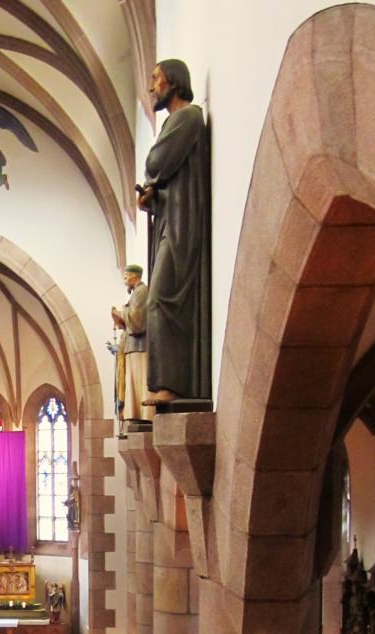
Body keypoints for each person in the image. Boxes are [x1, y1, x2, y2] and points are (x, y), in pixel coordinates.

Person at [137, 59, 211, 406]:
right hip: (171, 218)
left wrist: (152, 181)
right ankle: (165, 384)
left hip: (182, 224)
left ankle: (172, 383)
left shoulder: (188, 117)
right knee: (160, 301)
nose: (152, 87)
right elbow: (165, 176)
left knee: (159, 300)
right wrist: (153, 196)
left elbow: (156, 162)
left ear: (174, 81)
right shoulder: (176, 121)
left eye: (156, 79)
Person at [110, 264, 151, 433]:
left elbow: (137, 321)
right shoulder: (136, 292)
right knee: (132, 382)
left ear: (135, 276)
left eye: (126, 277)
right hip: (132, 345)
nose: (125, 280)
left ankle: (145, 414)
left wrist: (121, 312)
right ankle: (134, 413)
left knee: (140, 381)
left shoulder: (142, 291)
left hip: (140, 345)